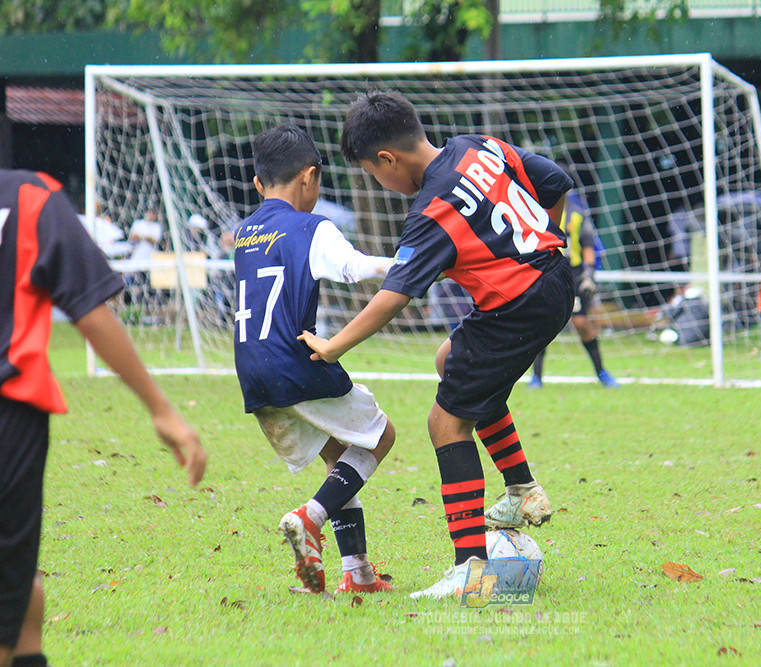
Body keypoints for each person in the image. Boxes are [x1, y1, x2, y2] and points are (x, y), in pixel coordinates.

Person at [298, 90, 575, 599]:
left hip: (518, 303)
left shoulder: (432, 211)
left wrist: (335, 345)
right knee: (450, 361)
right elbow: (556, 180)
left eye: (372, 173)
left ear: (388, 160)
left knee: (445, 421)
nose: (378, 182)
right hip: (556, 277)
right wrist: (547, 230)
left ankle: (469, 566)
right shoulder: (479, 147)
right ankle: (522, 490)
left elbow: (392, 298)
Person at [1, 169, 207, 667]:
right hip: (10, 414)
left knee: (22, 591)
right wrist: (161, 410)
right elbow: (90, 308)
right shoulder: (29, 196)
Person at [232, 124, 396, 595]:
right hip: (294, 363)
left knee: (338, 454)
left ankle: (357, 573)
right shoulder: (311, 226)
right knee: (381, 435)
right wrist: (404, 262)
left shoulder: (244, 233)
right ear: (310, 179)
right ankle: (310, 518)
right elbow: (354, 268)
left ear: (259, 184)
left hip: (252, 371)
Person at [528, 186, 619, 388]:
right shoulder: (536, 211)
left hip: (574, 276)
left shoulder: (577, 214)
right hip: (548, 273)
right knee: (543, 324)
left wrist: (589, 275)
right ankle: (536, 378)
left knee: (581, 323)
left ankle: (601, 372)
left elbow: (588, 246)